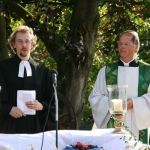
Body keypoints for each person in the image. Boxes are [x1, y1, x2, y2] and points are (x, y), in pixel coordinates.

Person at [88, 30, 150, 144]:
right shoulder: (106, 71)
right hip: (113, 124)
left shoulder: (148, 72)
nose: (122, 47)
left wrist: (134, 103)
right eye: (120, 44)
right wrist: (112, 104)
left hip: (138, 125)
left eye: (126, 44)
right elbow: (95, 97)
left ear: (136, 46)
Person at [0, 25, 55, 134]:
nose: (24, 45)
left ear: (32, 44)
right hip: (9, 127)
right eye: (20, 41)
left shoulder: (43, 71)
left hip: (35, 128)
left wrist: (42, 106)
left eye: (27, 41)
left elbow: (52, 100)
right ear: (13, 44)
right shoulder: (2, 68)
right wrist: (8, 109)